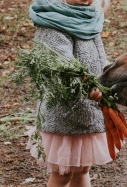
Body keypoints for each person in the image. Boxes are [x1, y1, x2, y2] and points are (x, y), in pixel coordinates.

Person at [25, 0, 112, 186]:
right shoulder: (52, 22)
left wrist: (110, 79)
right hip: (62, 113)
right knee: (62, 173)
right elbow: (61, 67)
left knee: (82, 170)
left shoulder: (89, 18)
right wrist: (87, 87)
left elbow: (100, 57)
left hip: (88, 112)